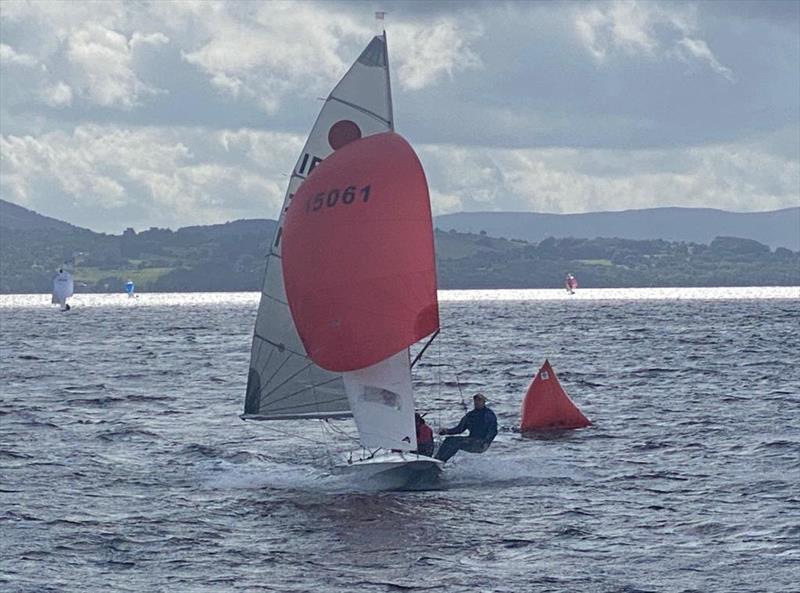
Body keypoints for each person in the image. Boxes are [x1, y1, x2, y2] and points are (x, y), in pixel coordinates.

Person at [434, 393, 497, 463]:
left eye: (479, 400)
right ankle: (437, 459)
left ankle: (442, 461)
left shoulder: (488, 415)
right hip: (471, 440)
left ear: (484, 402)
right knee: (448, 440)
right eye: (476, 400)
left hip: (481, 443)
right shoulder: (470, 415)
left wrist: (486, 441)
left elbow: (493, 431)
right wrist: (446, 431)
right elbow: (459, 429)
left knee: (456, 442)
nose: (477, 402)